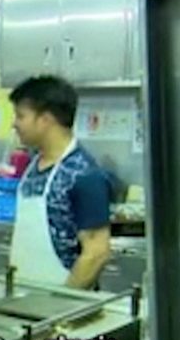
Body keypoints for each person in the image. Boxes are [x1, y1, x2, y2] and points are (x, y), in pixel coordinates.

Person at [8, 75, 112, 289]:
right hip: (23, 298)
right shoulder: (34, 165)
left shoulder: (83, 174)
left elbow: (96, 253)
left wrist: (62, 305)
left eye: (20, 116)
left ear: (45, 120)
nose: (14, 124)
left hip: (61, 312)